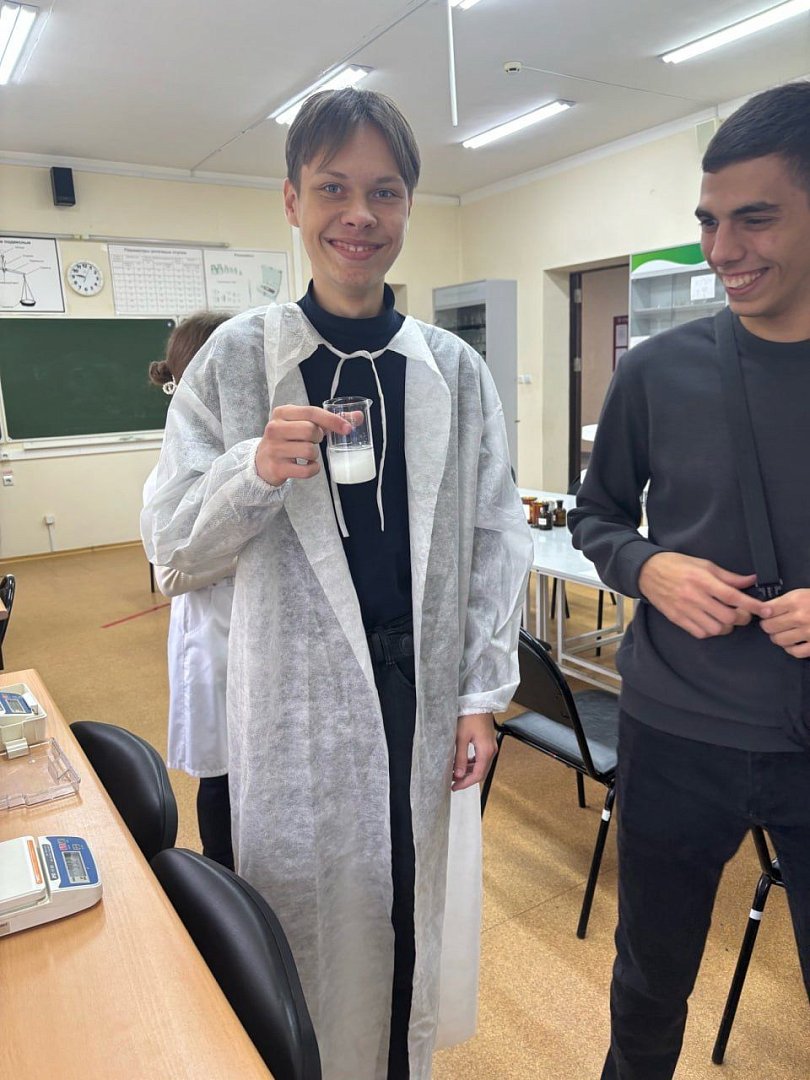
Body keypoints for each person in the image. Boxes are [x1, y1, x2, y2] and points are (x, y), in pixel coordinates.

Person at [141, 88, 532, 1080]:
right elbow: (171, 550)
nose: (359, 215)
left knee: (406, 912)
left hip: (421, 691)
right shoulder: (235, 365)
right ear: (292, 200)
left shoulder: (453, 371)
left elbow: (495, 538)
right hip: (294, 708)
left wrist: (481, 698)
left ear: (408, 206)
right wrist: (252, 471)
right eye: (333, 189)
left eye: (384, 192)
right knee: (308, 930)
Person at [568, 80, 810, 1079]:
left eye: (755, 218)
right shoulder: (657, 371)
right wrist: (650, 565)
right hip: (674, 734)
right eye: (709, 221)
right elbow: (595, 516)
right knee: (648, 985)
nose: (721, 249)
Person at [143, 311, 236, 869]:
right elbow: (172, 573)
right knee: (222, 780)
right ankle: (224, 887)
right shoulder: (173, 471)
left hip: (264, 645)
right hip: (217, 645)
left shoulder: (254, 445)